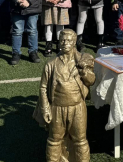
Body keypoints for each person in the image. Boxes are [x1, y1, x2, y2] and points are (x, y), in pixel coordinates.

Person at [33, 29, 95, 162]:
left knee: (80, 140)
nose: (65, 43)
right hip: (57, 108)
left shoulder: (82, 60)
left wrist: (84, 71)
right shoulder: (51, 64)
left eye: (69, 40)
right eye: (62, 40)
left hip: (77, 107)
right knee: (54, 140)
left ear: (74, 42)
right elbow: (43, 87)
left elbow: (91, 81)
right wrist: (45, 108)